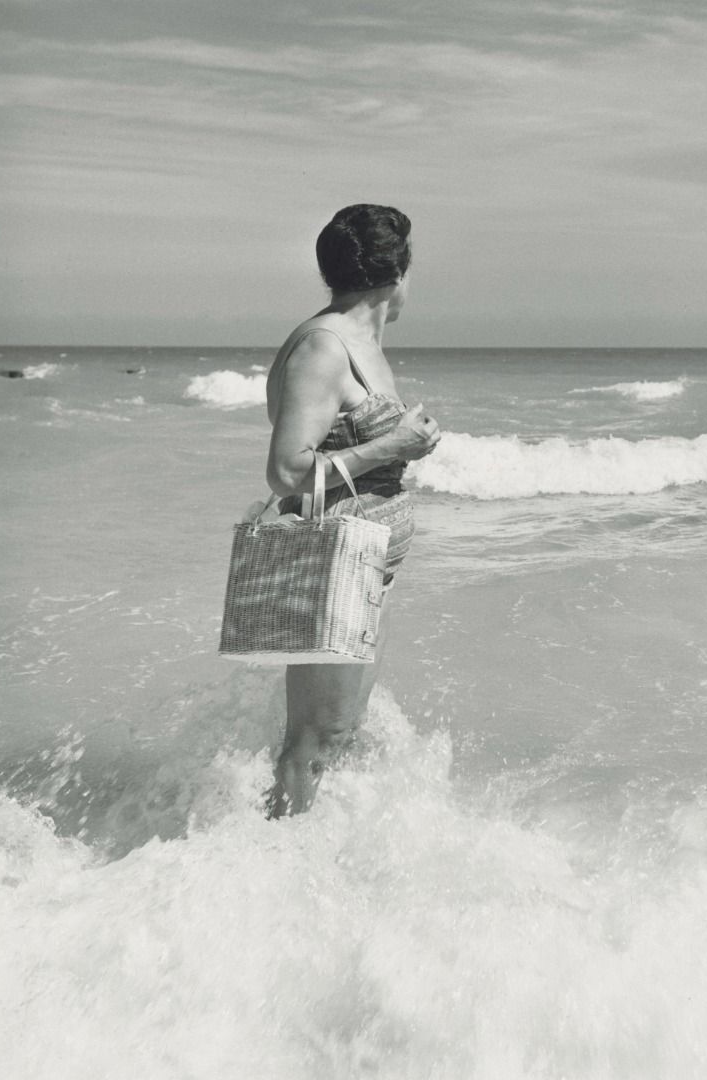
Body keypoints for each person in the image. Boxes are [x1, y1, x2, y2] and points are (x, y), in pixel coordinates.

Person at [262, 204, 441, 816]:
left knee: (342, 734)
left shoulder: (359, 342)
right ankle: (274, 852)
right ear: (398, 275)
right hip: (334, 565)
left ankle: (309, 848)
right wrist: (395, 445)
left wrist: (402, 443)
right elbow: (286, 470)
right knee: (315, 740)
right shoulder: (324, 348)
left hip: (366, 567)